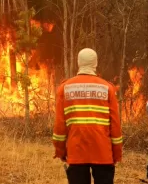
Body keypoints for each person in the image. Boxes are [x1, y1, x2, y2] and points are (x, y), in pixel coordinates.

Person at [52, 48, 122, 184]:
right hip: (103, 152)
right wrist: (117, 153)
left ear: (79, 63)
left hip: (76, 151)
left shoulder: (64, 89)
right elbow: (115, 126)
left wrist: (60, 151)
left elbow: (60, 126)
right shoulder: (107, 88)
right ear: (95, 64)